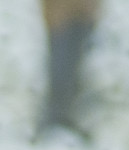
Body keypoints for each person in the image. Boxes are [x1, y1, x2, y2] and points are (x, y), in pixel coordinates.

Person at [38, 0, 102, 135]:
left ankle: (65, 114)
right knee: (62, 65)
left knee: (74, 65)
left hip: (80, 15)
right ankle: (56, 117)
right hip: (63, 19)